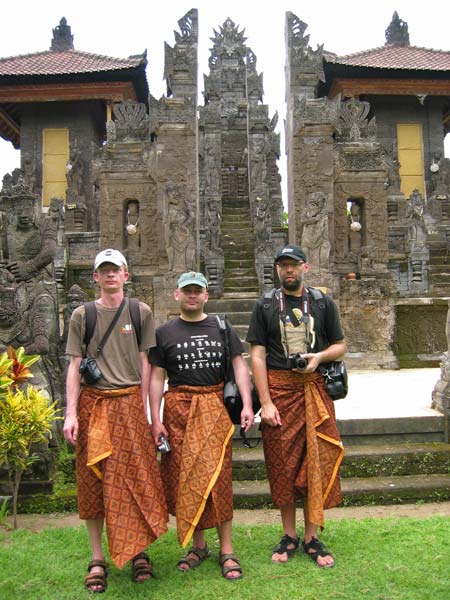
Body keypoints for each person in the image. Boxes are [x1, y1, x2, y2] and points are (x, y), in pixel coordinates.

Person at [63, 248, 168, 593]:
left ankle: (138, 551)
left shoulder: (140, 312)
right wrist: (70, 412)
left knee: (136, 480)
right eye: (104, 270)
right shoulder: (83, 315)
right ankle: (97, 558)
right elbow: (75, 365)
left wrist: (146, 413)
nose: (110, 275)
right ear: (95, 277)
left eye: (116, 270)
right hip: (93, 407)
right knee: (93, 485)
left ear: (126, 275)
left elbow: (145, 364)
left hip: (129, 404)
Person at [149, 271, 253, 581]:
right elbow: (156, 377)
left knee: (219, 479)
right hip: (179, 410)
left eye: (198, 291)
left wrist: (247, 405)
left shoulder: (222, 327)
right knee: (186, 478)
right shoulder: (163, 333)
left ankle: (227, 549)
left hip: (214, 407)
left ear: (206, 295)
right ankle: (198, 545)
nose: (192, 295)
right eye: (187, 291)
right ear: (176, 295)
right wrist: (155, 419)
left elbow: (239, 366)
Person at [246, 244, 346, 568]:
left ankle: (311, 536)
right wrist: (265, 402)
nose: (289, 271)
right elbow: (257, 355)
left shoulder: (322, 302)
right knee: (282, 467)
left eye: (294, 265)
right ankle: (289, 534)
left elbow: (341, 345)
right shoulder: (264, 305)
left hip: (314, 389)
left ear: (306, 267)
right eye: (283, 266)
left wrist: (319, 357)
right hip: (279, 390)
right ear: (277, 270)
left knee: (315, 462)